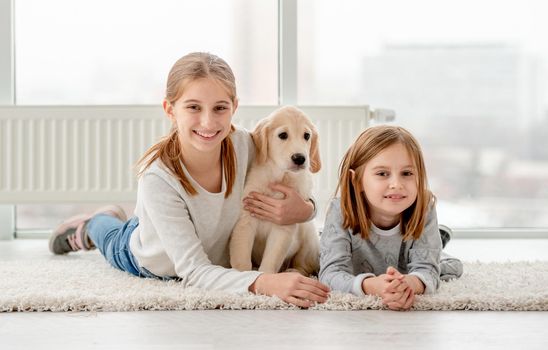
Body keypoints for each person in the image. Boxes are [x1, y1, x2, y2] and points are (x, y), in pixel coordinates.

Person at [49, 52, 329, 308]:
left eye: (220, 108)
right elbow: (193, 271)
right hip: (153, 259)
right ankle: (92, 224)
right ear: (170, 110)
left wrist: (307, 210)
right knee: (112, 238)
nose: (208, 122)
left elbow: (300, 178)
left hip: (189, 234)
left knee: (146, 222)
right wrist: (263, 282)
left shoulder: (248, 144)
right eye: (194, 107)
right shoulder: (157, 178)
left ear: (234, 107)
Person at [319, 125, 462, 311]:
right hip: (361, 264)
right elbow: (331, 274)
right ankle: (438, 238)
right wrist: (370, 286)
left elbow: (427, 271)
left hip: (403, 266)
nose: (396, 184)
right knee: (316, 258)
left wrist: (408, 285)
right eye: (382, 174)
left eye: (407, 173)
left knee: (452, 267)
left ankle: (436, 240)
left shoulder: (424, 206)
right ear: (356, 181)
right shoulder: (340, 209)